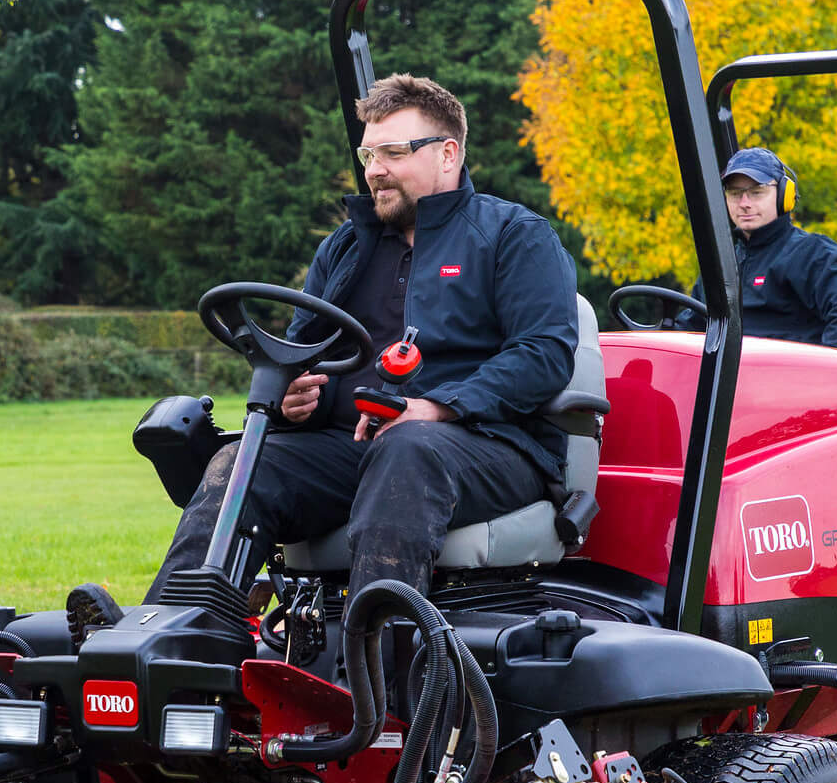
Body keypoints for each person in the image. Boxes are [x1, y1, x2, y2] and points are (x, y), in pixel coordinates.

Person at [134, 74, 579, 608]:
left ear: (447, 154)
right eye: (368, 154)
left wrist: (436, 407)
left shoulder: (513, 234)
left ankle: (373, 649)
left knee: (406, 450)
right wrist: (296, 401)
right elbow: (302, 355)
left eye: (393, 152)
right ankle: (177, 633)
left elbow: (543, 355)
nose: (374, 170)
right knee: (241, 464)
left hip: (487, 446)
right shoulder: (344, 249)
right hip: (352, 447)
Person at [709, 146, 837, 352]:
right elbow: (689, 325)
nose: (744, 203)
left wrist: (811, 369)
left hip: (790, 370)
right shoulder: (722, 262)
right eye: (735, 194)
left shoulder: (813, 254)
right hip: (728, 371)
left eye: (756, 192)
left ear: (784, 196)